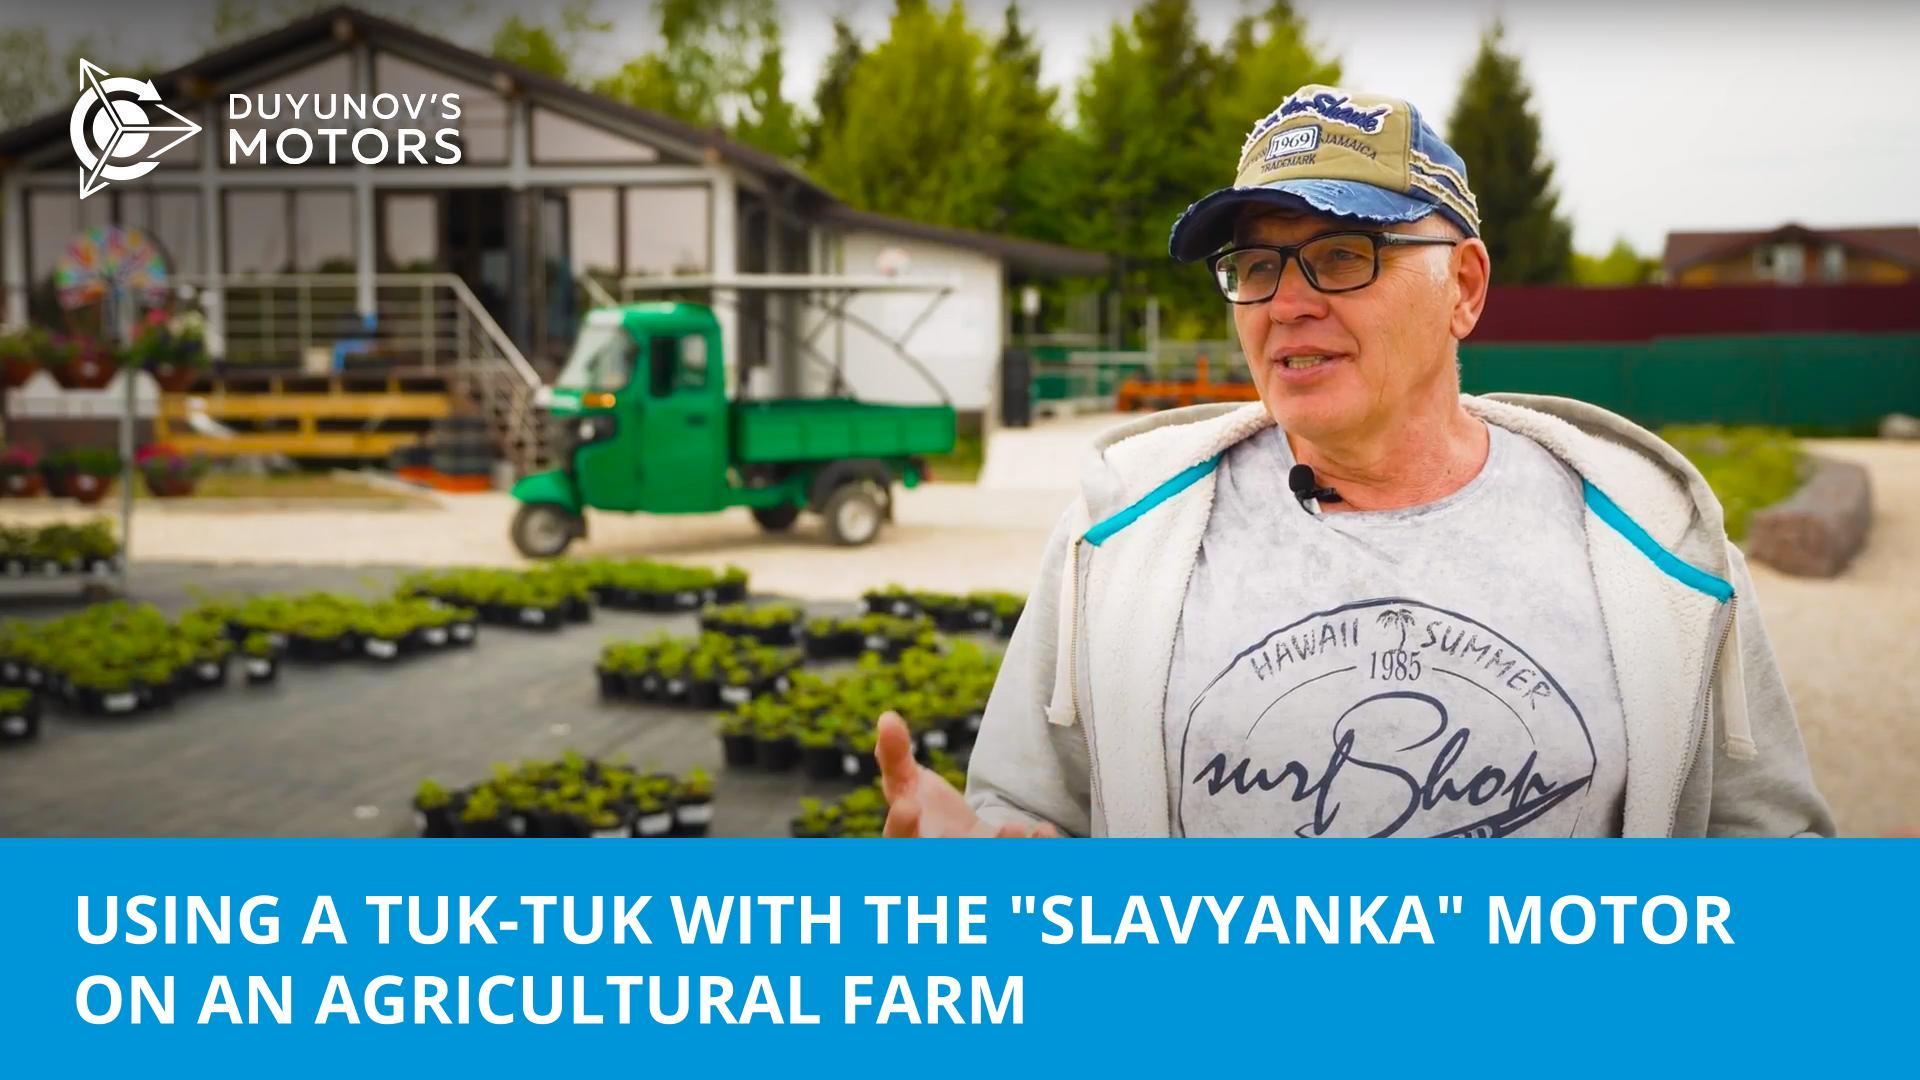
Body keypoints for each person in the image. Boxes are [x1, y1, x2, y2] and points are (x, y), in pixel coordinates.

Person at [875, 85, 1834, 838]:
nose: (1286, 300)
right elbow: (1028, 821)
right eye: (1255, 267)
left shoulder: (1656, 547)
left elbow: (1771, 863)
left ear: (1462, 285)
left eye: (1341, 256)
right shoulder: (1119, 538)